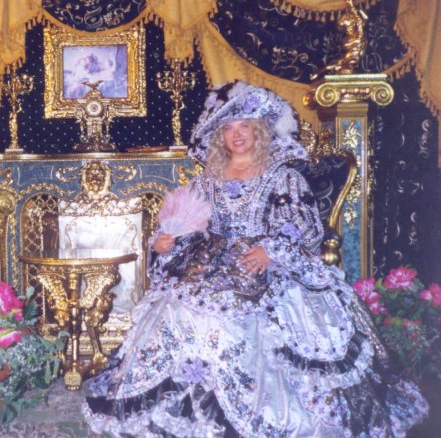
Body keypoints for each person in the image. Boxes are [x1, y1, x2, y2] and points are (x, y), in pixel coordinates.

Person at [82, 81, 428, 437]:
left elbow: (303, 230)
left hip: (267, 265)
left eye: (244, 126)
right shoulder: (206, 182)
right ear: (219, 136)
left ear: (258, 130)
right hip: (208, 267)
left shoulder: (283, 177)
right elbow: (187, 226)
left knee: (249, 316)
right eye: (228, 128)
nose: (236, 134)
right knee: (177, 307)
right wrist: (166, 242)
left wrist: (271, 251)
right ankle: (190, 405)